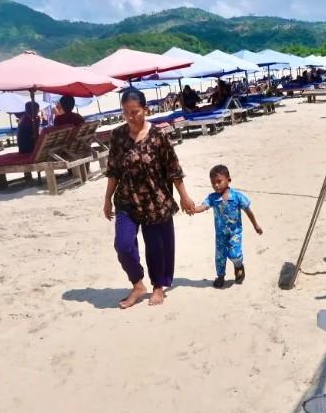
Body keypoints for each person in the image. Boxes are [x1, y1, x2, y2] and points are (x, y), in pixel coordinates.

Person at [104, 89, 197, 308]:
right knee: (123, 246)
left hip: (155, 200)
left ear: (145, 110)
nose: (129, 116)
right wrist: (107, 199)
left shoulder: (158, 136)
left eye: (134, 112)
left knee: (157, 247)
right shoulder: (117, 136)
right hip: (126, 200)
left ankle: (158, 287)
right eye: (125, 112)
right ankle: (137, 284)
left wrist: (184, 197)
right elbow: (113, 171)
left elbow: (173, 170)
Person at [192, 165, 262, 288]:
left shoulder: (237, 196)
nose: (216, 185)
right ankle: (220, 276)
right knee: (220, 257)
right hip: (220, 235)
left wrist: (255, 225)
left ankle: (238, 265)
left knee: (235, 254)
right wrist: (193, 209)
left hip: (235, 233)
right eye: (213, 183)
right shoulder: (213, 198)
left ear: (228, 180)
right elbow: (203, 207)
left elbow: (248, 211)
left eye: (219, 181)